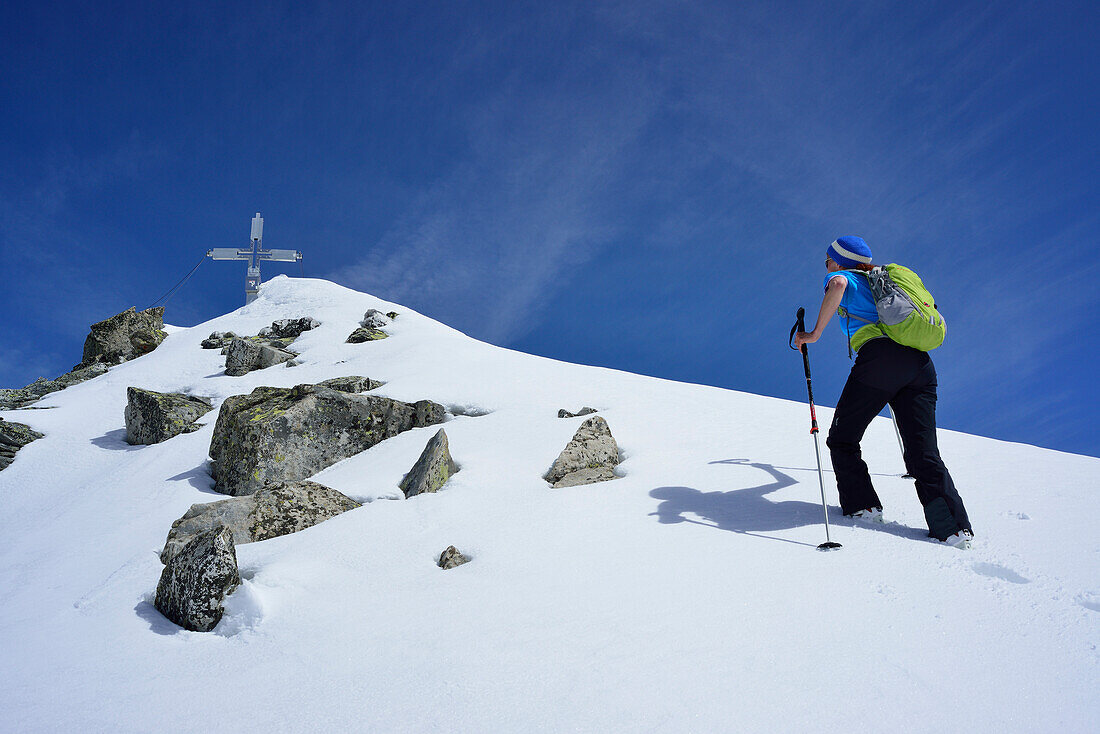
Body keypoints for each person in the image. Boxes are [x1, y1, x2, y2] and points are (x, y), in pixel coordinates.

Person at [793, 236, 973, 548]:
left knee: (842, 438)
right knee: (923, 451)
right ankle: (953, 529)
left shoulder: (844, 276)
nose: (826, 264)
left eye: (827, 259)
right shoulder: (885, 280)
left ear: (840, 259)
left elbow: (836, 286)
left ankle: (863, 507)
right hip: (920, 365)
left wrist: (814, 333)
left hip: (879, 359)